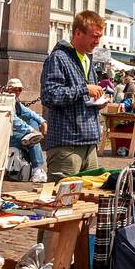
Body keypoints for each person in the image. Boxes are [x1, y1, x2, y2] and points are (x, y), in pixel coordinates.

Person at [40, 10, 106, 178]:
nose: (97, 41)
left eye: (99, 36)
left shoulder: (86, 59)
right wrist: (84, 89)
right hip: (66, 146)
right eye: (94, 36)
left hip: (89, 144)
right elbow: (49, 94)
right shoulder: (58, 58)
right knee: (62, 201)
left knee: (89, 201)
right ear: (78, 33)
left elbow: (81, 98)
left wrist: (97, 101)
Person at [7, 78, 48, 182]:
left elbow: (28, 112)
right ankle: (37, 170)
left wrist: (42, 121)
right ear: (8, 89)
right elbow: (15, 120)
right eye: (14, 89)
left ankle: (37, 169)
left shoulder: (15, 101)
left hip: (13, 133)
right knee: (33, 138)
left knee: (33, 122)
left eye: (19, 90)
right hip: (6, 136)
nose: (17, 92)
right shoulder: (6, 100)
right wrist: (31, 130)